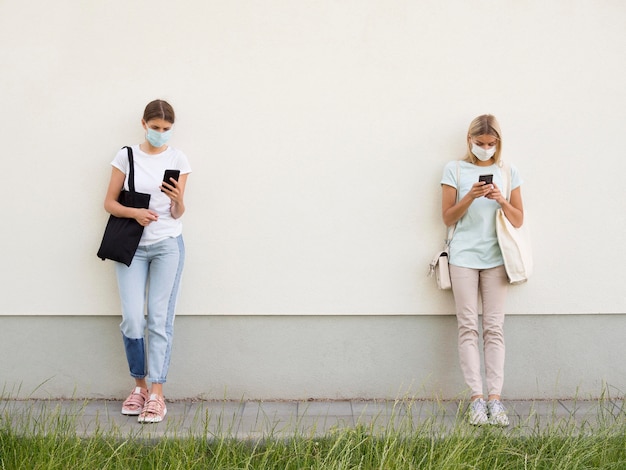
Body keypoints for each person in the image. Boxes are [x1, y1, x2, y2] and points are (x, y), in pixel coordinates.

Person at [103, 99, 191, 423]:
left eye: (166, 129)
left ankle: (157, 394)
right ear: (144, 124)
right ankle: (138, 386)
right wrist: (135, 212)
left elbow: (178, 213)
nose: (160, 134)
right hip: (132, 246)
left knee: (158, 318)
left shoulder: (178, 159)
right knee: (132, 319)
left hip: (167, 245)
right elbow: (109, 203)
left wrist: (179, 201)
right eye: (155, 128)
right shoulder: (126, 156)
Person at [440, 114, 524, 426]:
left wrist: (500, 198)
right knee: (468, 327)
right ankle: (476, 399)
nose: (485, 148)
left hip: (497, 258)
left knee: (494, 328)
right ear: (470, 141)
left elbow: (518, 219)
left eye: (491, 144)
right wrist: (470, 197)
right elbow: (448, 217)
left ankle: (495, 400)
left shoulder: (507, 171)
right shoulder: (455, 169)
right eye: (480, 143)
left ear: (498, 143)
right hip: (463, 257)